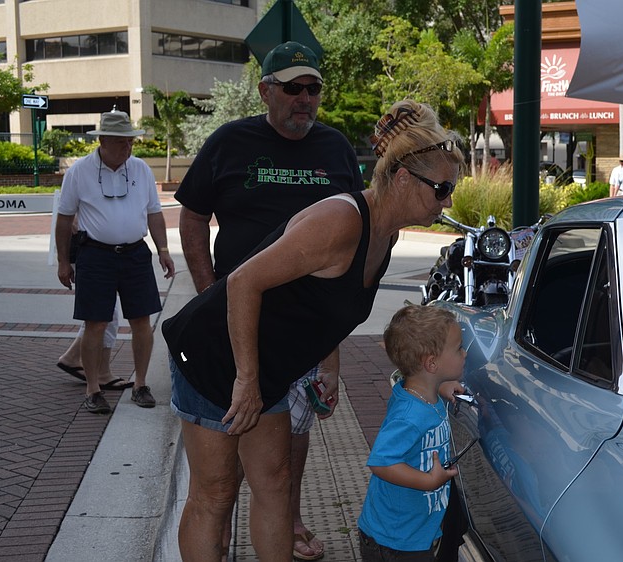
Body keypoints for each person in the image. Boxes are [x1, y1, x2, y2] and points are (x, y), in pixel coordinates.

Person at [162, 99, 464, 562]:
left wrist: (329, 362)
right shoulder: (341, 220)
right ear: (403, 178)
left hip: (266, 367)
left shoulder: (387, 233)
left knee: (277, 484)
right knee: (216, 494)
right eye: (442, 189)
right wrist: (245, 380)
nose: (447, 202)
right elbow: (242, 282)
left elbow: (327, 308)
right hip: (214, 355)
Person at [174, 40, 362, 561]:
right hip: (231, 334)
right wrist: (210, 289)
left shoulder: (336, 149)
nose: (304, 98)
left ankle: (293, 524)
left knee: (278, 472)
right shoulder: (231, 142)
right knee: (216, 487)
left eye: (313, 88)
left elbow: (354, 245)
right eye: (293, 88)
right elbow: (191, 215)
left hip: (299, 337)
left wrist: (332, 355)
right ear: (265, 90)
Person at [55, 109, 175, 414]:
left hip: (135, 254)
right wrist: (63, 263)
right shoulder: (79, 171)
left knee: (142, 322)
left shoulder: (141, 169)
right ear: (103, 140)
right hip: (95, 254)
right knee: (95, 323)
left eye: (131, 142)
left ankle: (141, 384)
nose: (129, 148)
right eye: (122, 142)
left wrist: (163, 249)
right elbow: (64, 219)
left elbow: (154, 213)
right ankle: (92, 388)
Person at [357, 305, 466, 561]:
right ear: (431, 362)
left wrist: (441, 383)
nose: (465, 352)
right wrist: (428, 481)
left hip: (414, 532)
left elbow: (409, 379)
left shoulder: (422, 391)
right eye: (459, 348)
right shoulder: (410, 416)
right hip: (394, 540)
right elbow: (381, 462)